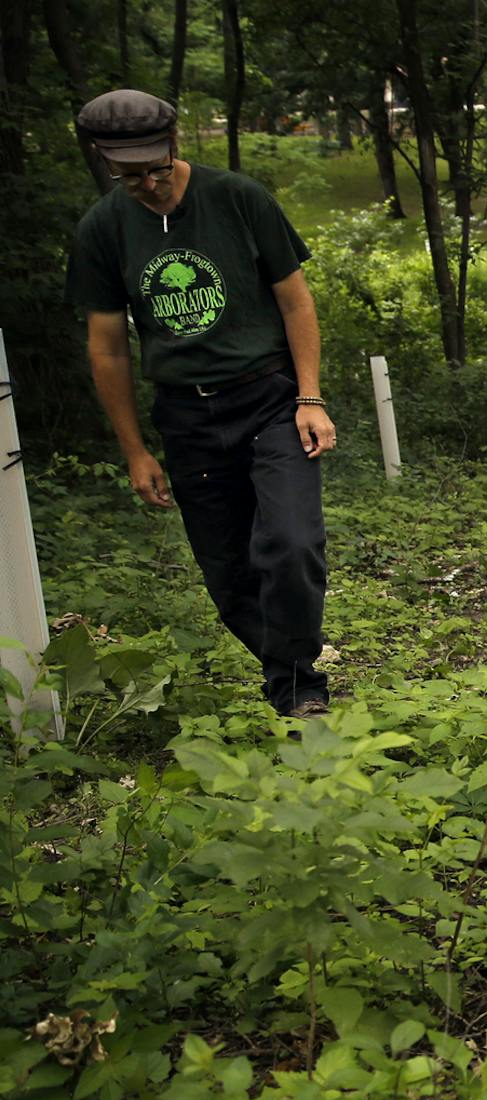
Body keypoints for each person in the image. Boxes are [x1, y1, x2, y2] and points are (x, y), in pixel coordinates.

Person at [63, 89, 335, 718]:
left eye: (157, 169)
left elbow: (296, 301)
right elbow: (107, 349)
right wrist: (134, 450)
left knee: (292, 544)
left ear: (175, 146)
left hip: (268, 397)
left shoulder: (239, 198)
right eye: (130, 176)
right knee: (228, 573)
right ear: (105, 163)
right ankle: (292, 675)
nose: (150, 185)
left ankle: (299, 687)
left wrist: (310, 396)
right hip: (187, 416)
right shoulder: (103, 228)